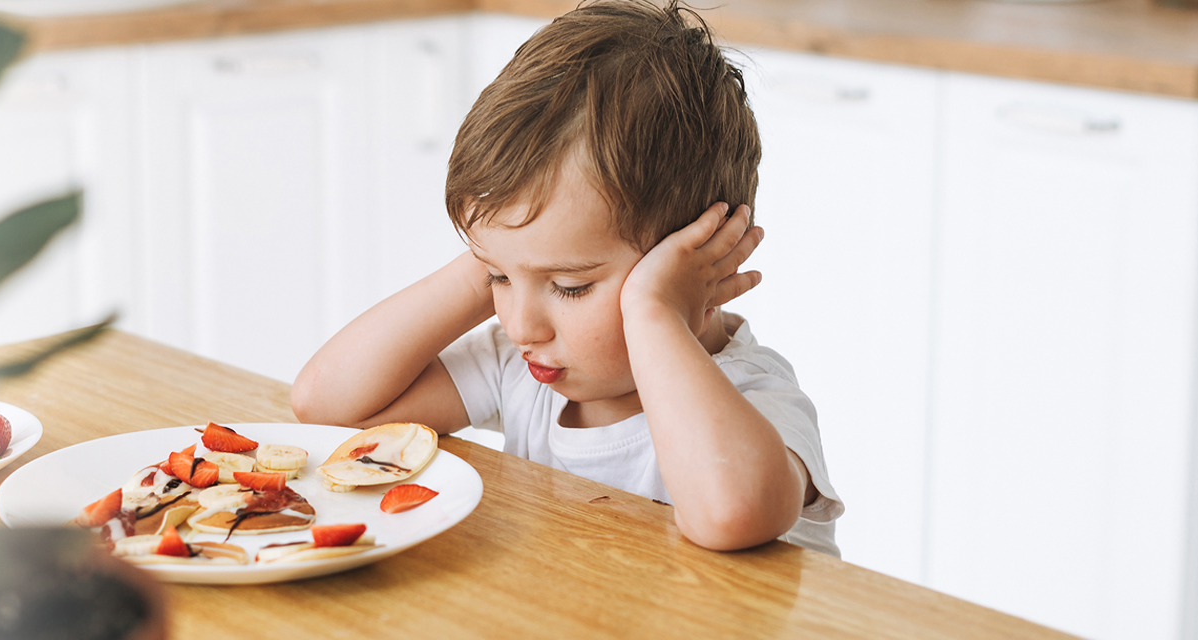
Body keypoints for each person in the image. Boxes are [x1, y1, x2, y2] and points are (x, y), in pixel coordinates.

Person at [290, 0, 842, 555]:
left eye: (570, 286)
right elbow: (329, 407)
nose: (522, 324)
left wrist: (654, 313)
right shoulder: (523, 367)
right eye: (499, 279)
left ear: (703, 263)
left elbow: (732, 515)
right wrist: (495, 260)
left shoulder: (753, 394)